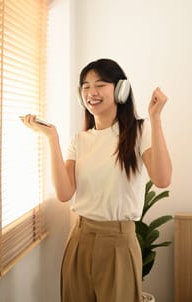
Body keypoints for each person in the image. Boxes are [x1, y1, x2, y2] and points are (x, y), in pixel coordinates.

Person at [22, 58, 172, 302]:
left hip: (119, 243)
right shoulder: (80, 140)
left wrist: (155, 119)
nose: (91, 92)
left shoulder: (139, 131)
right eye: (85, 86)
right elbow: (64, 193)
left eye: (100, 84)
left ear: (121, 89)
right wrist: (52, 138)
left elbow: (163, 179)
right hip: (80, 239)